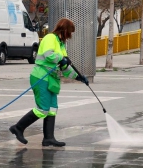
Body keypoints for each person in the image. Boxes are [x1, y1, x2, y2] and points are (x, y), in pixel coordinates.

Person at [9, 18, 89, 147]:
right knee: (43, 109)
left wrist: (78, 77)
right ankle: (18, 127)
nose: (69, 37)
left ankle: (49, 138)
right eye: (69, 33)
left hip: (51, 79)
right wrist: (61, 58)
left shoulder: (60, 43)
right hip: (41, 76)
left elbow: (65, 65)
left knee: (52, 109)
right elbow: (49, 55)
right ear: (64, 30)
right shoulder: (50, 38)